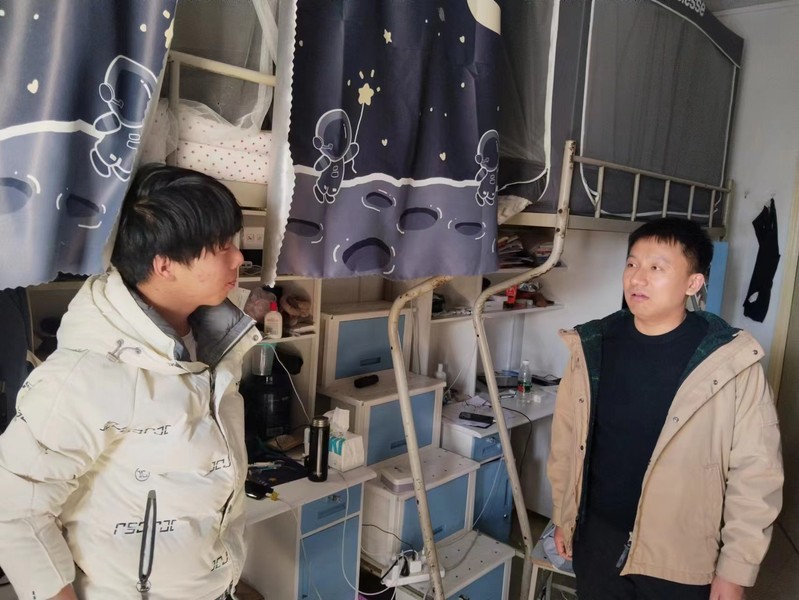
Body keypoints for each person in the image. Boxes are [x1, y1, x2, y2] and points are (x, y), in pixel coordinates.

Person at [0, 164, 262, 600]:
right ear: (165, 266)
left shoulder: (211, 343)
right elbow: (13, 508)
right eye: (221, 246)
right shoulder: (86, 374)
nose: (238, 258)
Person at [547, 217, 784, 600]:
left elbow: (757, 473)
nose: (637, 278)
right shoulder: (591, 347)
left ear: (693, 283)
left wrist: (735, 570)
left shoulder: (729, 362)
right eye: (632, 263)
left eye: (657, 267)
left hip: (680, 558)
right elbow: (566, 442)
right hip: (597, 543)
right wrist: (564, 515)